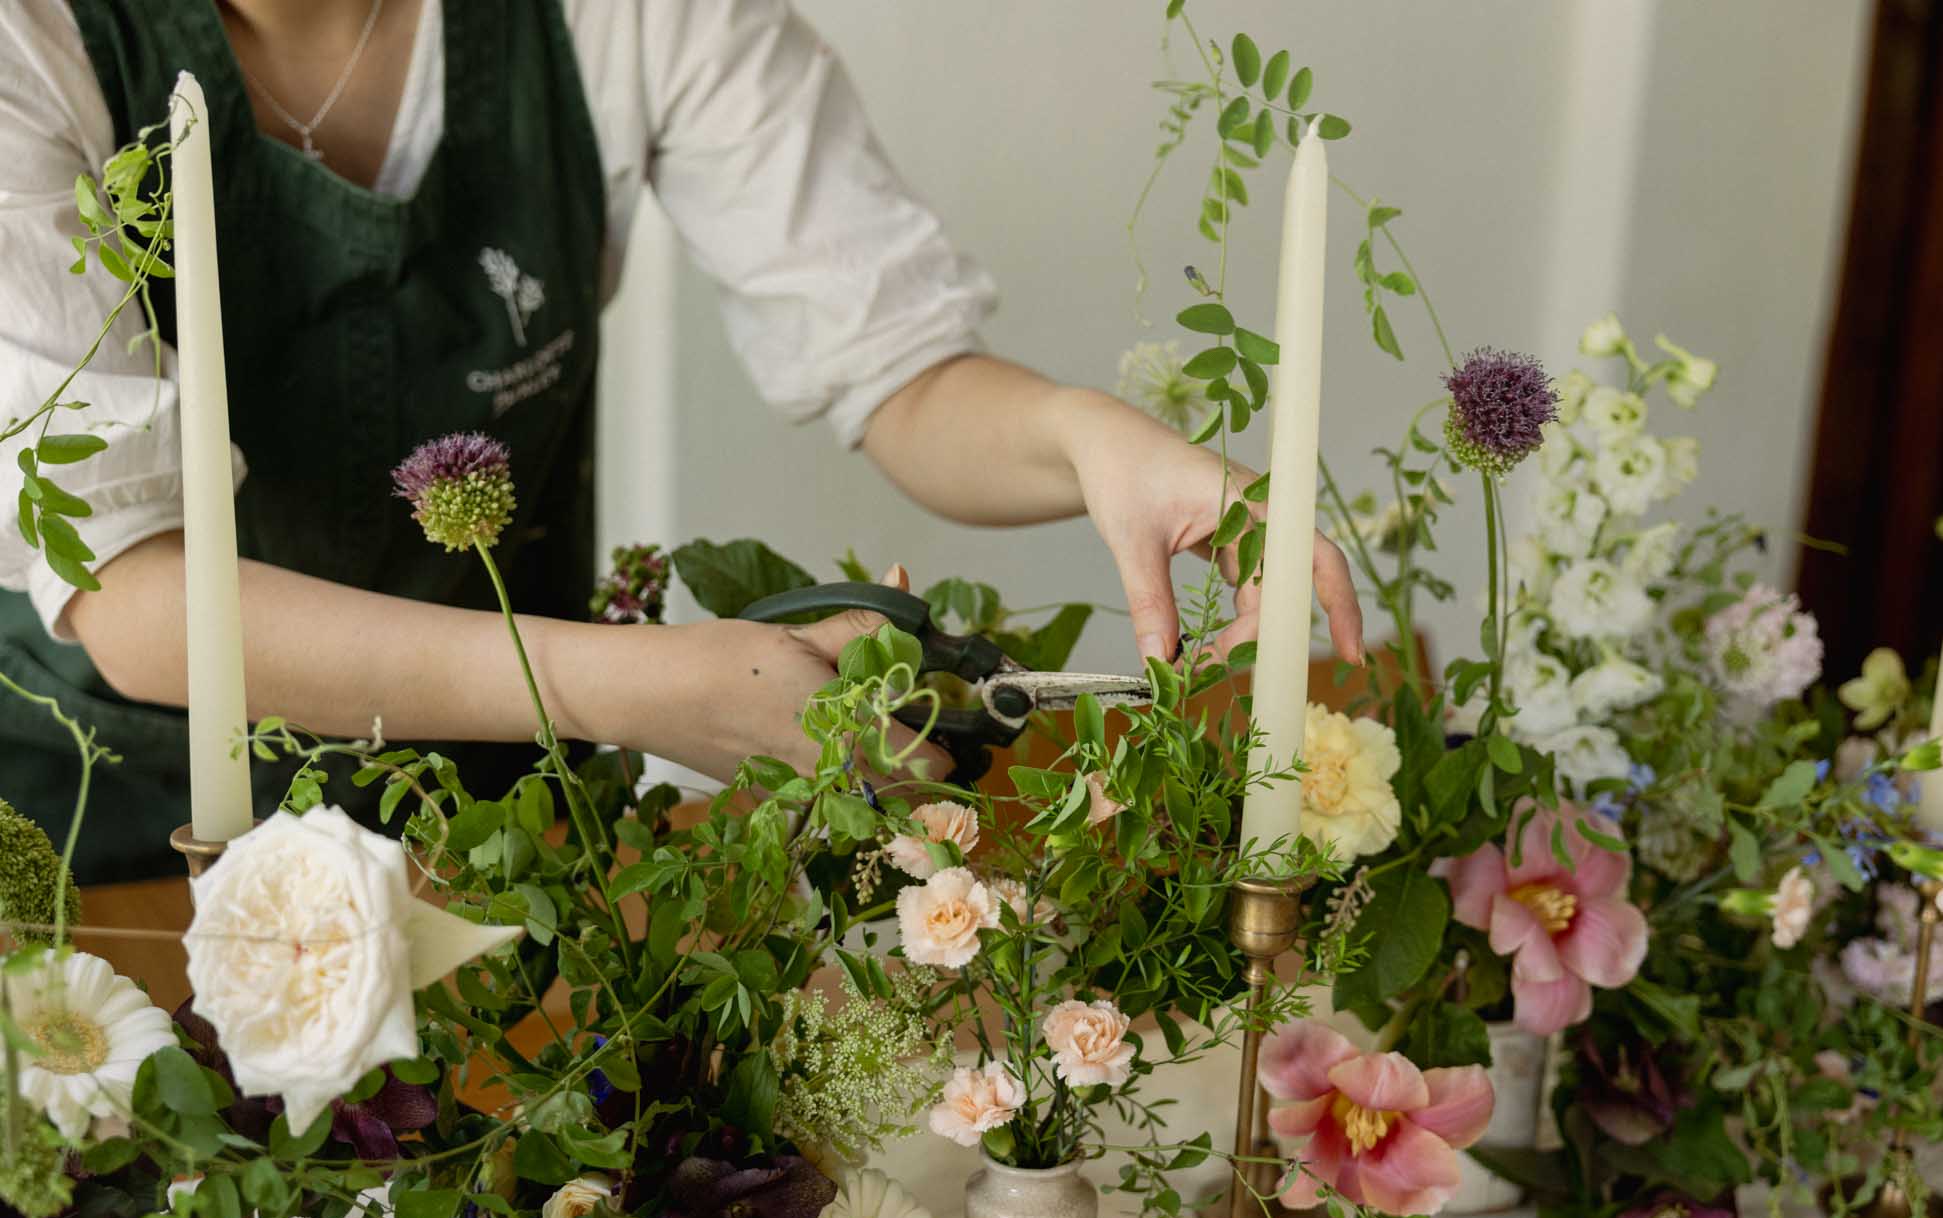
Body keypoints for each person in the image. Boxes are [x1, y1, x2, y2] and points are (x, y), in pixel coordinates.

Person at [0, 0, 1362, 882]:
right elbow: (136, 591)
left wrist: (1090, 440)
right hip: (114, 855)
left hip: (493, 860)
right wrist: (635, 688)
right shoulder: (33, 44)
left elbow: (898, 370)